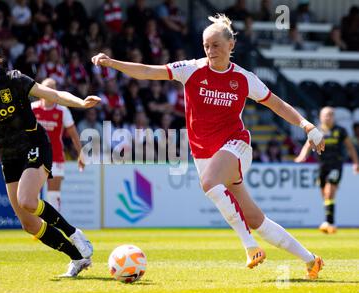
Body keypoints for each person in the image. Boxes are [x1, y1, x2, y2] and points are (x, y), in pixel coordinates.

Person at [92, 13, 326, 279]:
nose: (210, 50)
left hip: (236, 146)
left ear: (230, 46)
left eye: (216, 45)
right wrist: (112, 63)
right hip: (205, 153)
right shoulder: (191, 69)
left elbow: (277, 104)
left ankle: (250, 247)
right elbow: (149, 71)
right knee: (255, 219)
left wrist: (307, 126)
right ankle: (311, 260)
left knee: (209, 182)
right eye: (206, 45)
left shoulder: (244, 78)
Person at [0, 35, 101, 277]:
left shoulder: (14, 79)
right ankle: (77, 258)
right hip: (8, 153)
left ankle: (74, 233)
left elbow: (52, 95)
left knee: (27, 199)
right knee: (29, 224)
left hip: (34, 143)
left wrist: (80, 102)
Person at [295, 107, 359, 234]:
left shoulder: (340, 131)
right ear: (320, 117)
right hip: (322, 166)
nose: (328, 117)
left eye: (330, 115)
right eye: (325, 115)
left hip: (336, 164)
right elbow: (308, 144)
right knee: (325, 194)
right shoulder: (317, 131)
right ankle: (329, 222)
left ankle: (329, 222)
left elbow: (350, 147)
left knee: (329, 191)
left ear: (334, 117)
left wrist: (356, 163)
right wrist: (302, 156)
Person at [31, 77, 84, 212]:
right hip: (34, 156)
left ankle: (53, 229)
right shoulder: (32, 108)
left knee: (53, 195)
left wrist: (81, 153)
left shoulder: (63, 110)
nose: (51, 90)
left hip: (56, 156)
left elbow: (73, 133)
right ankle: (37, 230)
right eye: (47, 87)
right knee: (32, 195)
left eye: (53, 87)